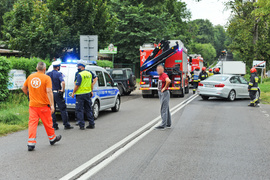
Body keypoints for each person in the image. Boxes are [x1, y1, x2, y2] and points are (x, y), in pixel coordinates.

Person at [21, 62, 61, 151]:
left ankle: (31, 143)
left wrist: (29, 95)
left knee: (32, 124)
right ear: (44, 69)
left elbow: (23, 88)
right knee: (48, 123)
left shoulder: (30, 77)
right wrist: (52, 105)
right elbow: (49, 91)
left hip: (33, 106)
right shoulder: (46, 78)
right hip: (43, 106)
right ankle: (52, 139)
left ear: (36, 68)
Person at [46, 61, 73, 130]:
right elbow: (63, 82)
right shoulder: (58, 74)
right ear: (58, 67)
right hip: (57, 93)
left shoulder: (48, 73)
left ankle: (54, 125)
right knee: (63, 109)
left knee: (52, 109)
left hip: (50, 93)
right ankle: (66, 125)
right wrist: (62, 90)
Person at [71, 61, 95, 130]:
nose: (78, 68)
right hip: (87, 94)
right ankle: (91, 123)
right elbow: (91, 84)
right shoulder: (89, 73)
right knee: (88, 109)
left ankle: (81, 125)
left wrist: (73, 92)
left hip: (80, 95)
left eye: (79, 66)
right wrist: (91, 91)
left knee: (79, 110)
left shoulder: (80, 74)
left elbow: (77, 85)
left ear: (82, 66)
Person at [155, 65, 172, 130]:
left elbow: (168, 81)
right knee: (166, 108)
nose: (158, 71)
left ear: (162, 70)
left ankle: (163, 125)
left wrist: (164, 88)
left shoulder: (164, 75)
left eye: (159, 69)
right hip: (162, 93)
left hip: (164, 93)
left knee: (163, 109)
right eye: (157, 69)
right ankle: (168, 123)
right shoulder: (160, 75)